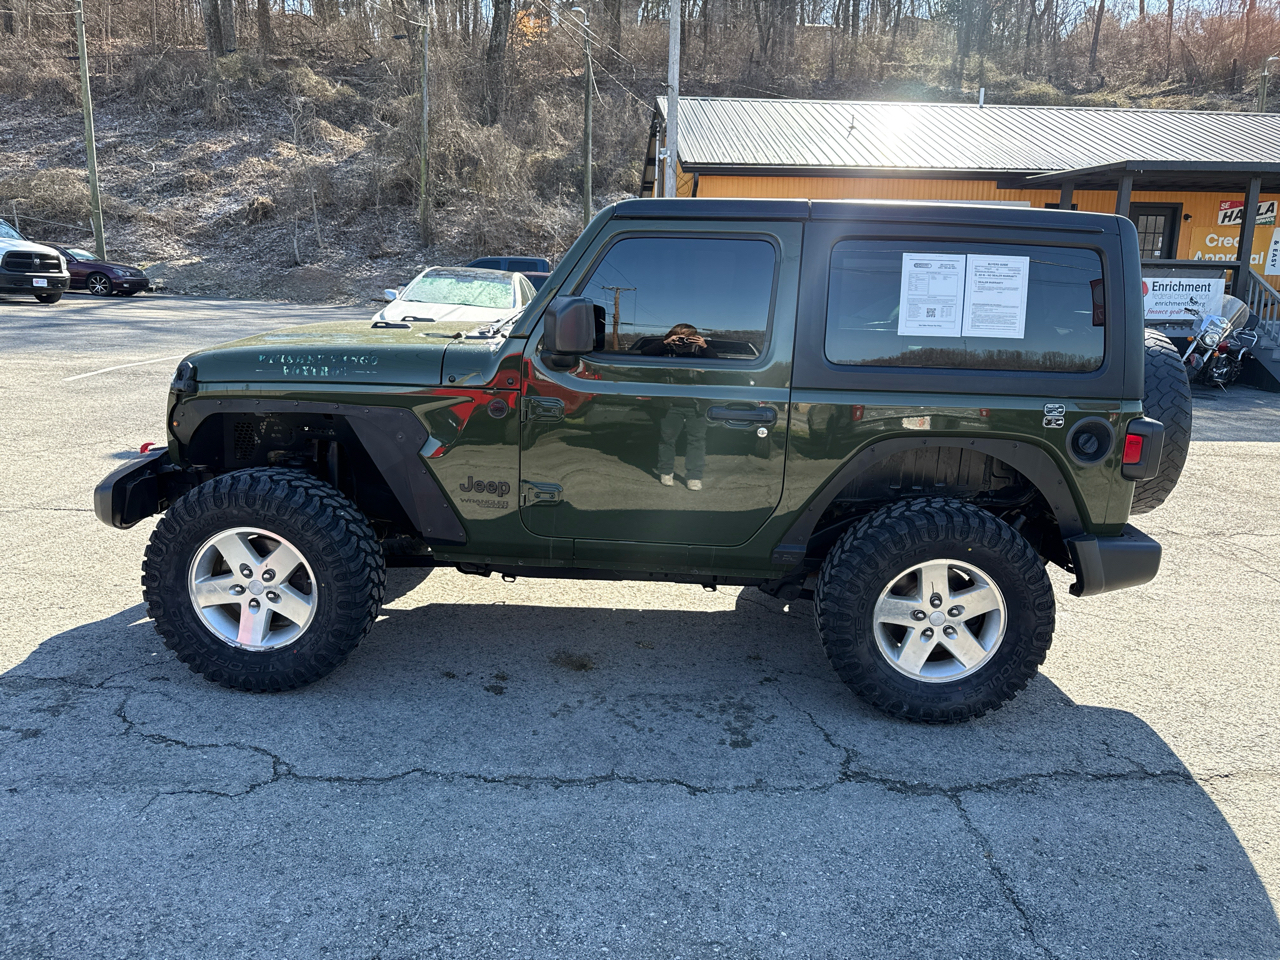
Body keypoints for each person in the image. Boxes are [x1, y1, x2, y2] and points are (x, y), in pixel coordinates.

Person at [642, 324, 716, 489]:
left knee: (697, 441)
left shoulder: (700, 352)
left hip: (697, 403)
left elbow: (717, 364)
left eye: (688, 336)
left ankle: (694, 477)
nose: (684, 340)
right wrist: (665, 342)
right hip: (670, 403)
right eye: (680, 336)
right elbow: (645, 354)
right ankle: (666, 472)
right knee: (667, 439)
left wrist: (704, 346)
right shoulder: (665, 350)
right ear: (672, 335)